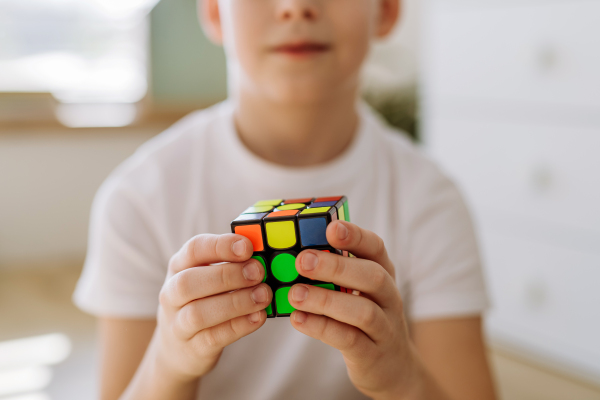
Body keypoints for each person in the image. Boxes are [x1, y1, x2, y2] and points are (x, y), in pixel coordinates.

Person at [73, 0, 498, 399]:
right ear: (215, 13)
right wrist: (169, 362)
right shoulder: (138, 198)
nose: (297, 6)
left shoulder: (431, 200)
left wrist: (400, 376)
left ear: (385, 10)